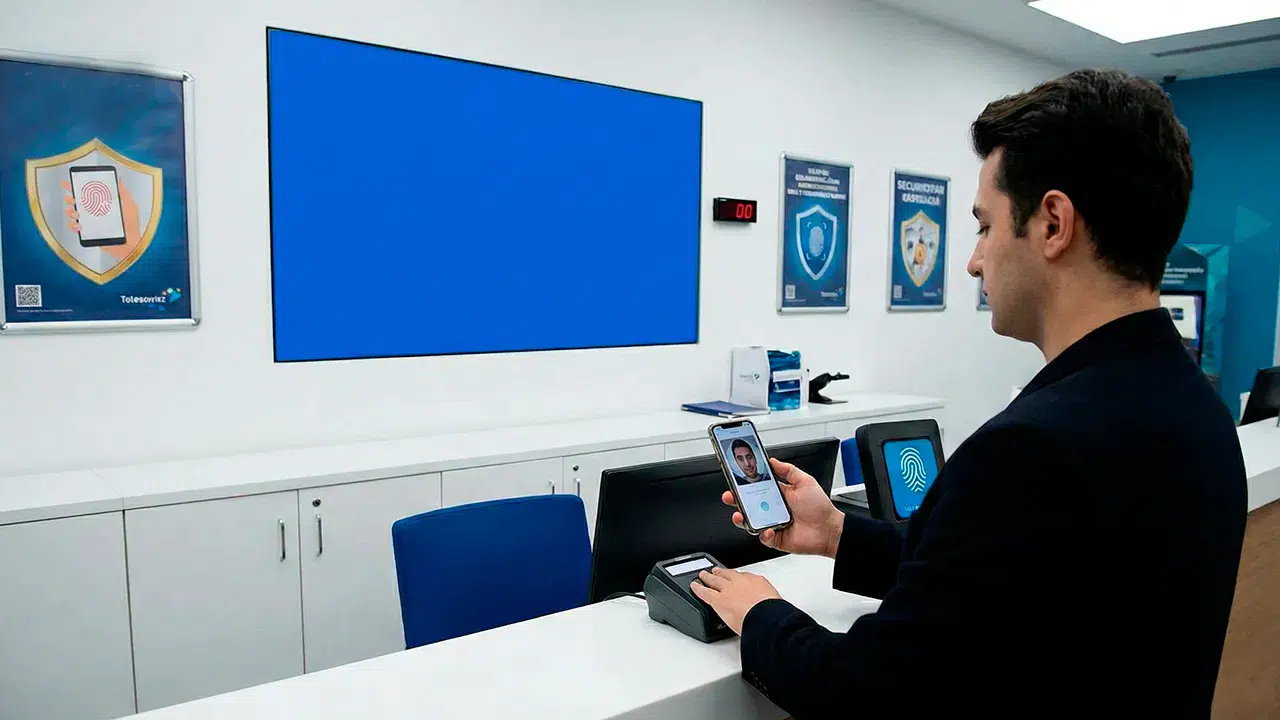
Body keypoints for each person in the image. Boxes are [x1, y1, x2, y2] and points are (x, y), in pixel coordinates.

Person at [691, 69, 1247, 718]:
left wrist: (762, 614)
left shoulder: (1031, 450)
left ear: (1053, 224)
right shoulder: (1197, 409)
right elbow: (1007, 590)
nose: (973, 260)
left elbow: (867, 694)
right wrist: (840, 533)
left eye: (985, 226)